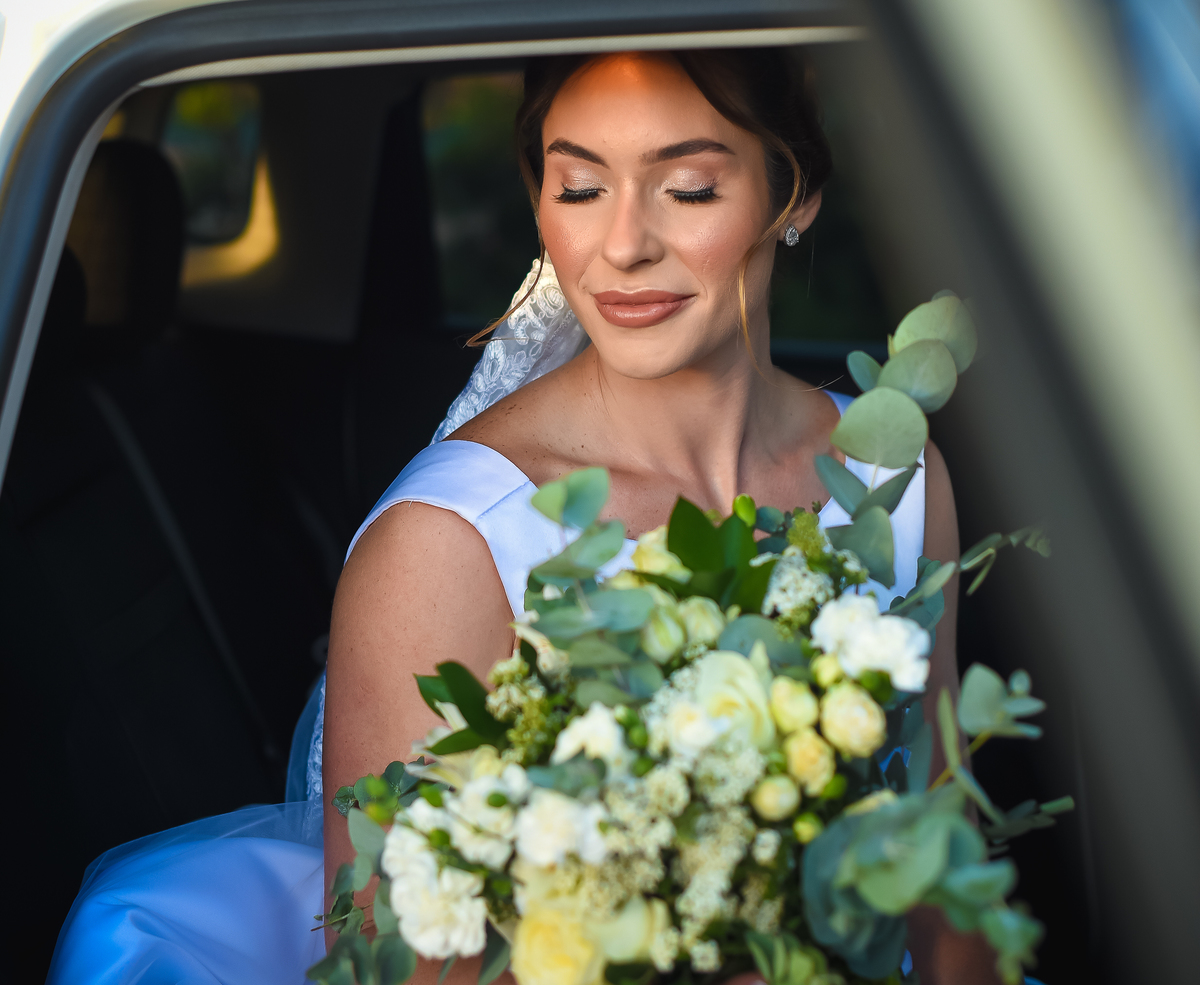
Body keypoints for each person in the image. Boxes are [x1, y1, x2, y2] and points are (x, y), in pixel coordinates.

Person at [48, 48, 1002, 985]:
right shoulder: (446, 542)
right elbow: (396, 962)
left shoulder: (896, 474)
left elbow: (940, 836)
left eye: (689, 189)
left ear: (794, 194)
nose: (622, 244)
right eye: (579, 188)